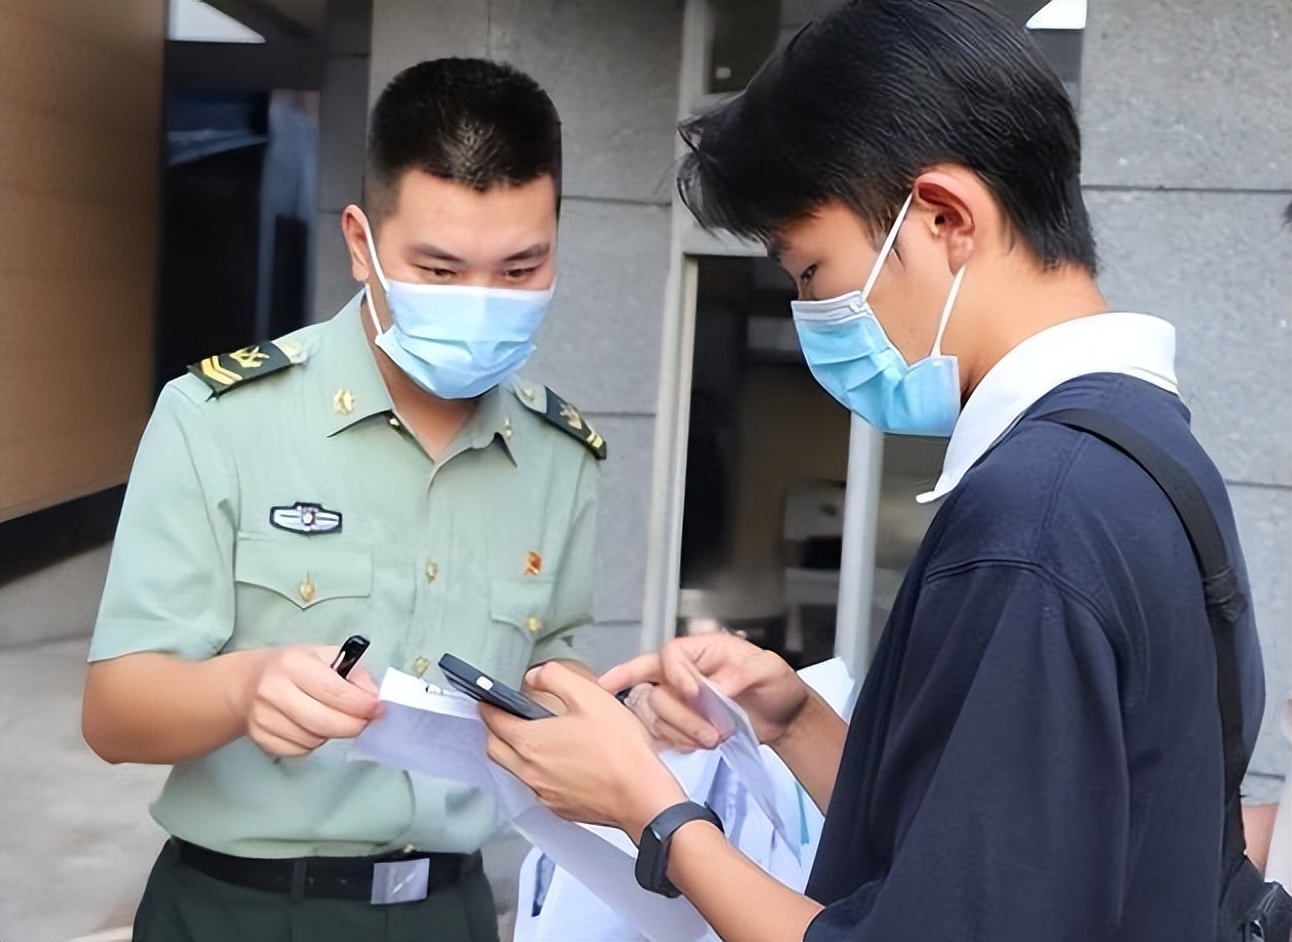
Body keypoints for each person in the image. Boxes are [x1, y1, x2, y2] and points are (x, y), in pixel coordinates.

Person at [479, 1, 1269, 939]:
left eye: (811, 271)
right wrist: (795, 722)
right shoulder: (1142, 450)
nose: (812, 310)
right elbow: (1019, 842)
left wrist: (649, 811)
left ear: (943, 217)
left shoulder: (1035, 519)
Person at [82, 58, 605, 942]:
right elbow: (115, 714)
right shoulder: (220, 422)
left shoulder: (562, 456)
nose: (481, 303)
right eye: (438, 269)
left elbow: (552, 666)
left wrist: (614, 707)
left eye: (521, 268)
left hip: (456, 910)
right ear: (361, 242)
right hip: (240, 910)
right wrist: (246, 686)